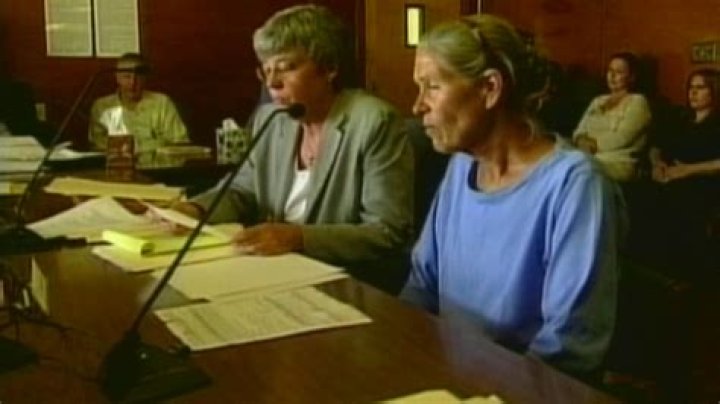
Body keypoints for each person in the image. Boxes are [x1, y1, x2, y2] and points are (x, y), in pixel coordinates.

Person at [400, 14, 622, 376]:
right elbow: (421, 286)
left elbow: (566, 347)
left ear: (489, 88)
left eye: (432, 87)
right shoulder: (461, 167)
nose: (417, 106)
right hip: (445, 377)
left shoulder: (576, 185)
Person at [171, 5, 414, 293]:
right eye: (266, 70)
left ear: (329, 68)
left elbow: (387, 231)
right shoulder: (272, 119)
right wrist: (195, 209)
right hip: (273, 273)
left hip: (342, 283)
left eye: (286, 67)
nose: (273, 83)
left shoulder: (373, 122)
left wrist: (298, 238)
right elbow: (241, 190)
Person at [645, 68, 720, 278]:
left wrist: (687, 170)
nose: (692, 93)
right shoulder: (680, 118)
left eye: (700, 88)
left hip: (703, 180)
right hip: (670, 175)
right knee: (644, 194)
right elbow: (656, 146)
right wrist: (656, 164)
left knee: (684, 201)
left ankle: (684, 274)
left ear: (714, 91)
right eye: (690, 88)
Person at [573, 52, 651, 181]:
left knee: (579, 170)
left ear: (631, 77)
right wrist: (580, 140)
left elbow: (622, 138)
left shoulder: (638, 102)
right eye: (610, 70)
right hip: (587, 156)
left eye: (619, 72)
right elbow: (579, 130)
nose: (612, 76)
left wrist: (592, 145)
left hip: (617, 162)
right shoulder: (598, 101)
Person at [88, 53, 189, 153]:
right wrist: (153, 144)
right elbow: (97, 144)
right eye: (127, 77)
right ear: (117, 78)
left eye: (138, 77)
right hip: (118, 161)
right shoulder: (102, 106)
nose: (133, 83)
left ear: (145, 78)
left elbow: (180, 142)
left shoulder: (162, 103)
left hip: (158, 162)